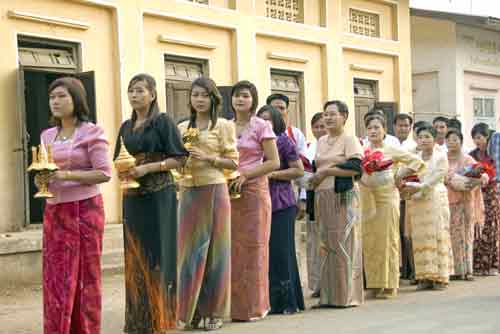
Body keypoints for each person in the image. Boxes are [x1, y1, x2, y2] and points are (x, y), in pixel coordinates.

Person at [114, 74, 188, 333]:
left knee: (160, 252)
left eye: (140, 91)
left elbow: (179, 158)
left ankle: (161, 316)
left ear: (153, 94)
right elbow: (118, 160)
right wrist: (126, 171)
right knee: (135, 255)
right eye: (131, 91)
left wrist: (148, 168)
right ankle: (138, 320)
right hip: (132, 197)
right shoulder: (125, 126)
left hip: (159, 194)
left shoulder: (163, 122)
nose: (135, 95)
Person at [41, 77, 111, 334]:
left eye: (62, 96)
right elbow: (46, 167)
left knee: (85, 276)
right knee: (56, 276)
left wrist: (66, 175)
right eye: (52, 97)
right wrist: (44, 178)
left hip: (85, 211)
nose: (55, 102)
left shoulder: (92, 132)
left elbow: (104, 173)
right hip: (54, 212)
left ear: (76, 99)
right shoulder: (47, 134)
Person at [176, 78, 239, 331]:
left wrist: (209, 157)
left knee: (215, 253)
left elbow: (233, 162)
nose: (199, 99)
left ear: (213, 98)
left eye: (204, 95)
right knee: (188, 254)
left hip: (214, 189)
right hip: (188, 191)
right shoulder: (182, 127)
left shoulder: (223, 126)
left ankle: (214, 312)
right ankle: (190, 312)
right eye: (195, 95)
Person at [230, 81, 280, 321]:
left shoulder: (262, 126)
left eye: (245, 96)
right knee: (232, 250)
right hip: (229, 192)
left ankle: (255, 307)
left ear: (253, 100)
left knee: (254, 249)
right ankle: (234, 307)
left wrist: (246, 174)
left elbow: (273, 162)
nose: (240, 100)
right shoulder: (224, 127)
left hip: (254, 191)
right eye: (236, 96)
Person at [360, 114, 424, 299]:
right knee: (370, 242)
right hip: (367, 200)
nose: (373, 131)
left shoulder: (391, 149)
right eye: (370, 128)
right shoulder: (362, 151)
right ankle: (374, 284)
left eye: (376, 128)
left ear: (384, 130)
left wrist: (399, 176)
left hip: (387, 198)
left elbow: (417, 163)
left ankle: (389, 284)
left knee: (389, 240)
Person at [309, 100, 364, 307]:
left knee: (343, 244)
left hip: (343, 195)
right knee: (325, 245)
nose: (329, 118)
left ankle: (346, 296)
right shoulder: (321, 141)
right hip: (322, 195)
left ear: (344, 116)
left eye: (333, 114)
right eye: (326, 114)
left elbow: (356, 168)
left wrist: (326, 171)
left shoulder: (349, 139)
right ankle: (328, 296)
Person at [257, 105, 305, 315]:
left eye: (268, 121)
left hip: (281, 203)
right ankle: (268, 300)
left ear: (276, 122)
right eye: (261, 120)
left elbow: (298, 170)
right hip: (256, 201)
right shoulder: (253, 142)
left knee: (282, 252)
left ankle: (288, 301)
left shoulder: (284, 141)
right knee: (263, 252)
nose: (264, 124)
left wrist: (271, 174)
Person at [406, 125, 452, 290]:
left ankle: (440, 277)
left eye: (427, 137)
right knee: (421, 238)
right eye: (421, 137)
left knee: (438, 234)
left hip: (436, 198)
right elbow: (406, 172)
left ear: (434, 139)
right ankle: (425, 277)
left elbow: (435, 179)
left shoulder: (441, 157)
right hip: (418, 201)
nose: (424, 140)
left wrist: (417, 187)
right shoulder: (415, 157)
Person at [445, 128, 484, 281]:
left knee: (467, 234)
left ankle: (468, 270)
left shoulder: (468, 159)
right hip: (449, 201)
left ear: (461, 141)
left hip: (466, 201)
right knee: (453, 235)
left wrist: (470, 181)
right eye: (449, 140)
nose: (451, 143)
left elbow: (480, 176)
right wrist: (449, 180)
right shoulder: (443, 158)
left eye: (455, 139)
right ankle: (456, 270)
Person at [470, 123, 500, 276]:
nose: (477, 141)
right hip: (477, 192)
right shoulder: (472, 155)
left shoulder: (494, 152)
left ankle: (493, 264)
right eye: (475, 138)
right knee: (478, 226)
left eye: (479, 137)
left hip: (492, 193)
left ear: (487, 137)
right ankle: (478, 264)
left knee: (491, 226)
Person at [302, 112, 326, 297]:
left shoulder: (335, 146)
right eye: (316, 126)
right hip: (311, 197)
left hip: (330, 196)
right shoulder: (309, 148)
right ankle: (316, 284)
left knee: (328, 240)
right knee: (314, 242)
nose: (319, 130)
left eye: (322, 126)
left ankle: (330, 282)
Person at [394, 113, 417, 280]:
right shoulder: (390, 144)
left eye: (405, 125)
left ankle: (411, 269)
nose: (402, 128)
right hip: (392, 192)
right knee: (396, 232)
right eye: (399, 125)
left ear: (410, 128)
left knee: (408, 232)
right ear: (394, 126)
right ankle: (400, 268)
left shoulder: (415, 146)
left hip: (409, 193)